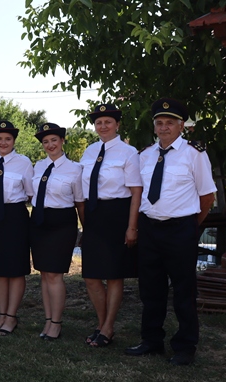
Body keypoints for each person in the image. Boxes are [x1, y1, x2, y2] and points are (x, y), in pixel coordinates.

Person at [125, 98, 216, 365]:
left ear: (181, 126)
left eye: (170, 123)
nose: (164, 127)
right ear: (154, 126)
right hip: (150, 228)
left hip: (180, 229)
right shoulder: (145, 155)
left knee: (183, 290)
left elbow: (207, 197)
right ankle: (152, 340)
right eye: (159, 123)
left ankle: (185, 346)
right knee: (150, 288)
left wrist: (191, 226)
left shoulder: (194, 154)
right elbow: (140, 193)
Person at [80, 104, 141, 348]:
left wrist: (132, 227)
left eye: (108, 122)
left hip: (117, 214)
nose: (103, 126)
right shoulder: (89, 151)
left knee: (114, 274)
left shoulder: (129, 152)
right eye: (99, 122)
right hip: (94, 215)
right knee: (91, 275)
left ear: (117, 124)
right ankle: (101, 322)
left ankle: (108, 327)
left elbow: (136, 192)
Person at [30, 123, 84, 340]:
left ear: (62, 141)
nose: (50, 145)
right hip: (39, 221)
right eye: (45, 142)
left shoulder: (75, 169)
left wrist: (85, 229)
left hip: (62, 223)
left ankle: (56, 323)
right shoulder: (38, 166)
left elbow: (79, 202)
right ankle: (48, 319)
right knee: (44, 273)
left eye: (54, 140)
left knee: (54, 274)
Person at [0, 121, 34, 336]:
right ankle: (2, 315)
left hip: (15, 217)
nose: (3, 142)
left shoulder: (24, 162)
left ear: (14, 141)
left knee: (15, 268)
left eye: (8, 139)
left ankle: (12, 316)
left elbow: (31, 193)